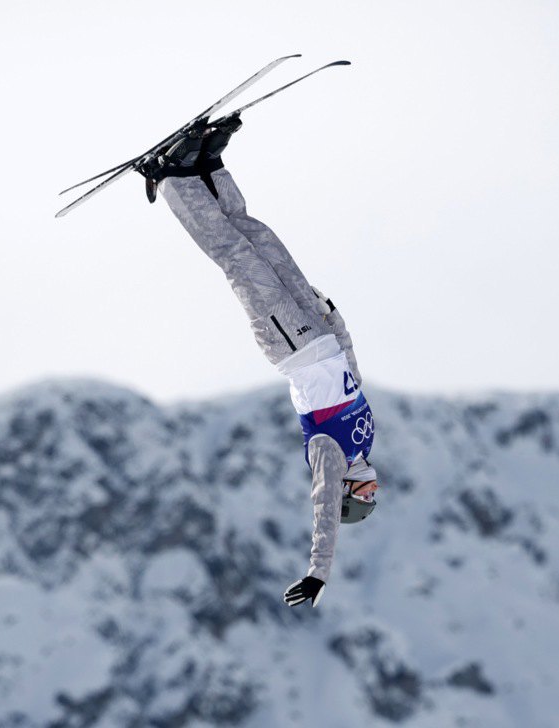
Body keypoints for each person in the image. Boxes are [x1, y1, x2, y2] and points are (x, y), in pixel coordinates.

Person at [136, 116, 378, 608]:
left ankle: (170, 179)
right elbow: (352, 374)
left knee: (235, 256)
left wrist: (318, 572)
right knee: (261, 240)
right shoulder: (367, 436)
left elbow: (323, 512)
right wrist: (336, 321)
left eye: (366, 500)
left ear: (350, 492)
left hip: (290, 342)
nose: (374, 493)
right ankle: (208, 165)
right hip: (318, 330)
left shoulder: (329, 457)